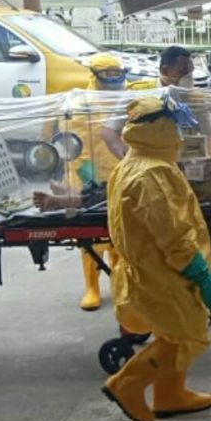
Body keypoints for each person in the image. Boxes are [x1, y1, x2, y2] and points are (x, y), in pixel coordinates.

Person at [101, 94, 211, 421]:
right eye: (174, 126)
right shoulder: (152, 174)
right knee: (184, 335)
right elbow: (170, 234)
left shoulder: (133, 162)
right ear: (160, 128)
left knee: (171, 331)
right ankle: (126, 384)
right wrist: (201, 274)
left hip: (151, 269)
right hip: (164, 272)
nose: (180, 134)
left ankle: (169, 395)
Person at [157, 46, 211, 330]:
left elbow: (210, 134)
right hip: (161, 185)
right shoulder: (148, 99)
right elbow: (114, 133)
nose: (188, 76)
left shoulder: (194, 99)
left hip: (194, 182)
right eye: (183, 71)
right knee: (165, 249)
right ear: (165, 70)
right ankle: (169, 312)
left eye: (190, 71)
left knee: (209, 239)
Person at [71, 53, 133, 311]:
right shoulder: (82, 102)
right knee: (92, 236)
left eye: (117, 72)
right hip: (93, 174)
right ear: (95, 74)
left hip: (122, 170)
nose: (114, 78)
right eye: (107, 73)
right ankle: (92, 286)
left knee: (121, 234)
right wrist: (84, 168)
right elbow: (75, 139)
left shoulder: (128, 96)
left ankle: (121, 284)